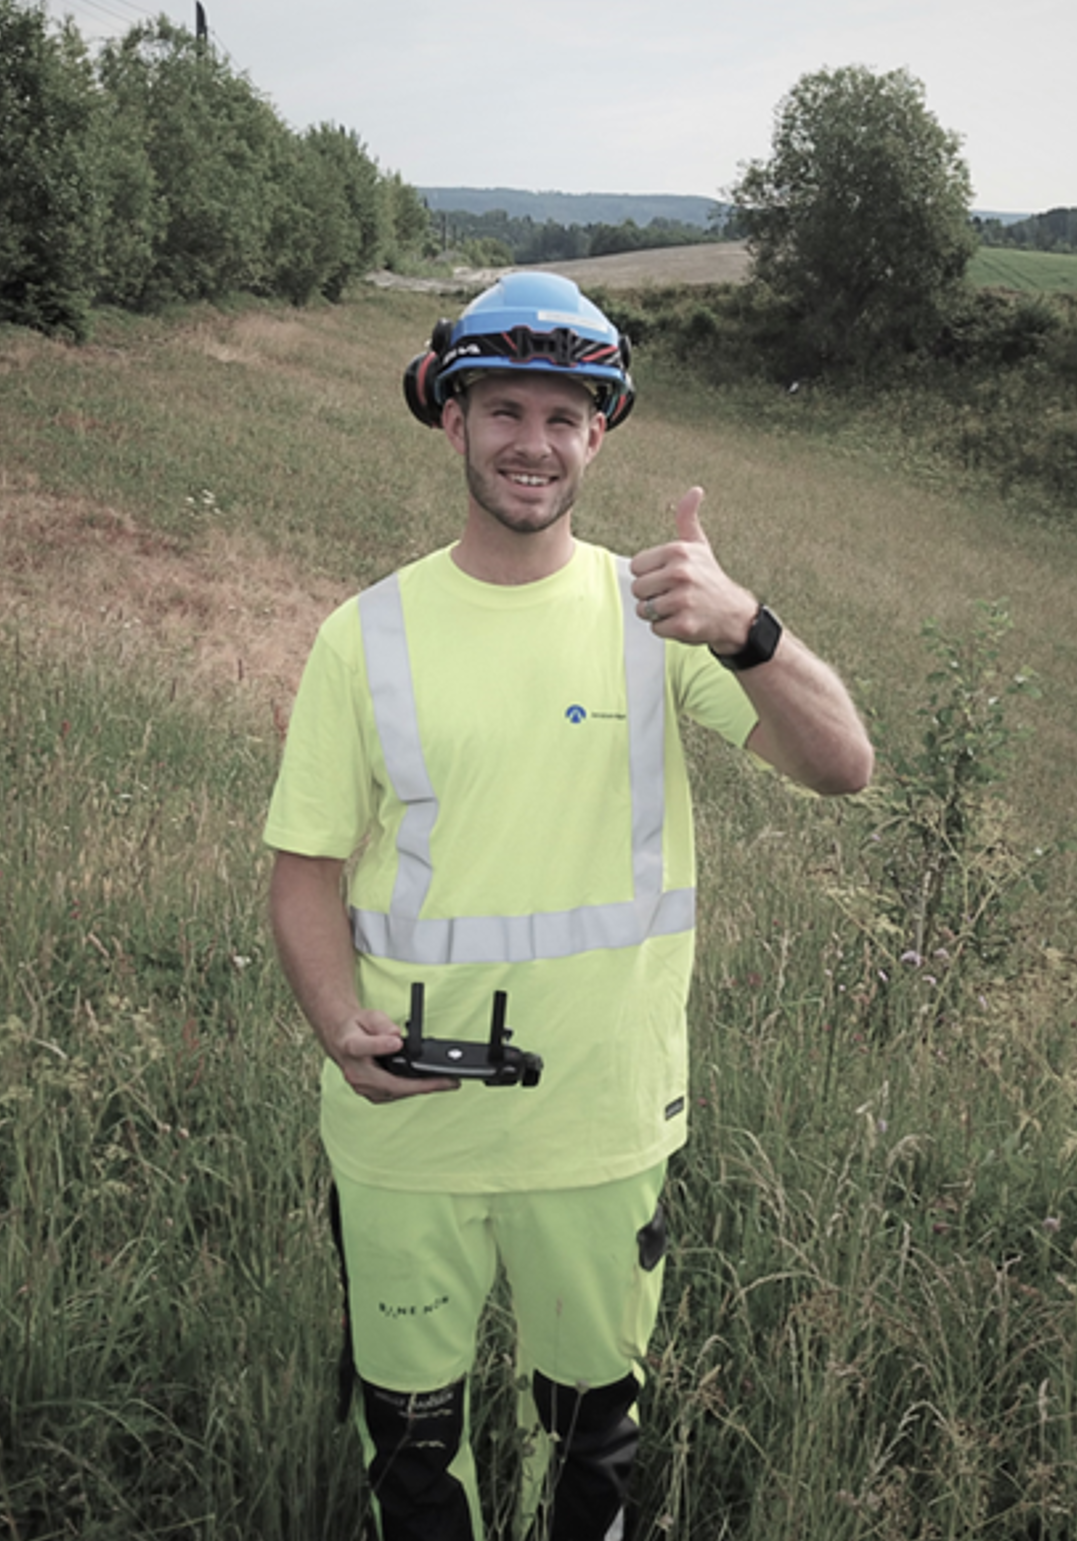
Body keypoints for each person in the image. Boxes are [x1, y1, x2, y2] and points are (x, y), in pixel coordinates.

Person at [265, 272, 873, 1541]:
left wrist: (748, 627)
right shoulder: (361, 638)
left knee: (593, 1446)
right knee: (415, 1453)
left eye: (562, 415)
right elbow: (306, 867)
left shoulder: (658, 620)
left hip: (599, 1131)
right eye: (505, 410)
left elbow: (842, 767)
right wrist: (334, 1021)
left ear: (600, 433)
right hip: (407, 1131)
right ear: (454, 422)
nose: (531, 443)